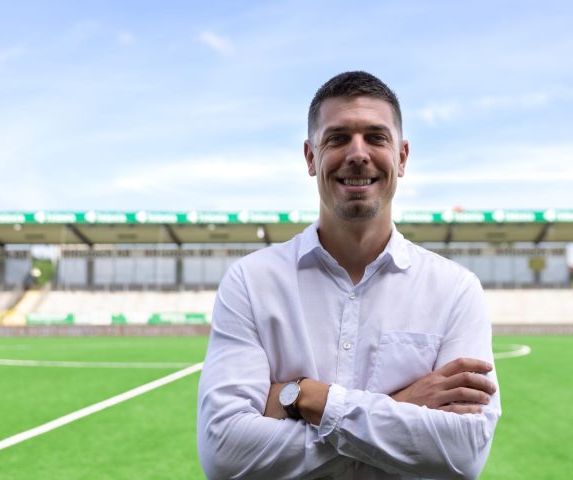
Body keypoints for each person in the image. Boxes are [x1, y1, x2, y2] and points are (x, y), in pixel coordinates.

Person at [197, 71, 500, 479]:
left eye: (376, 137)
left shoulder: (455, 290)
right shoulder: (251, 282)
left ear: (402, 157)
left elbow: (463, 453)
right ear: (310, 158)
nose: (358, 154)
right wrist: (400, 407)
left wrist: (309, 397)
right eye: (338, 138)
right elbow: (224, 452)